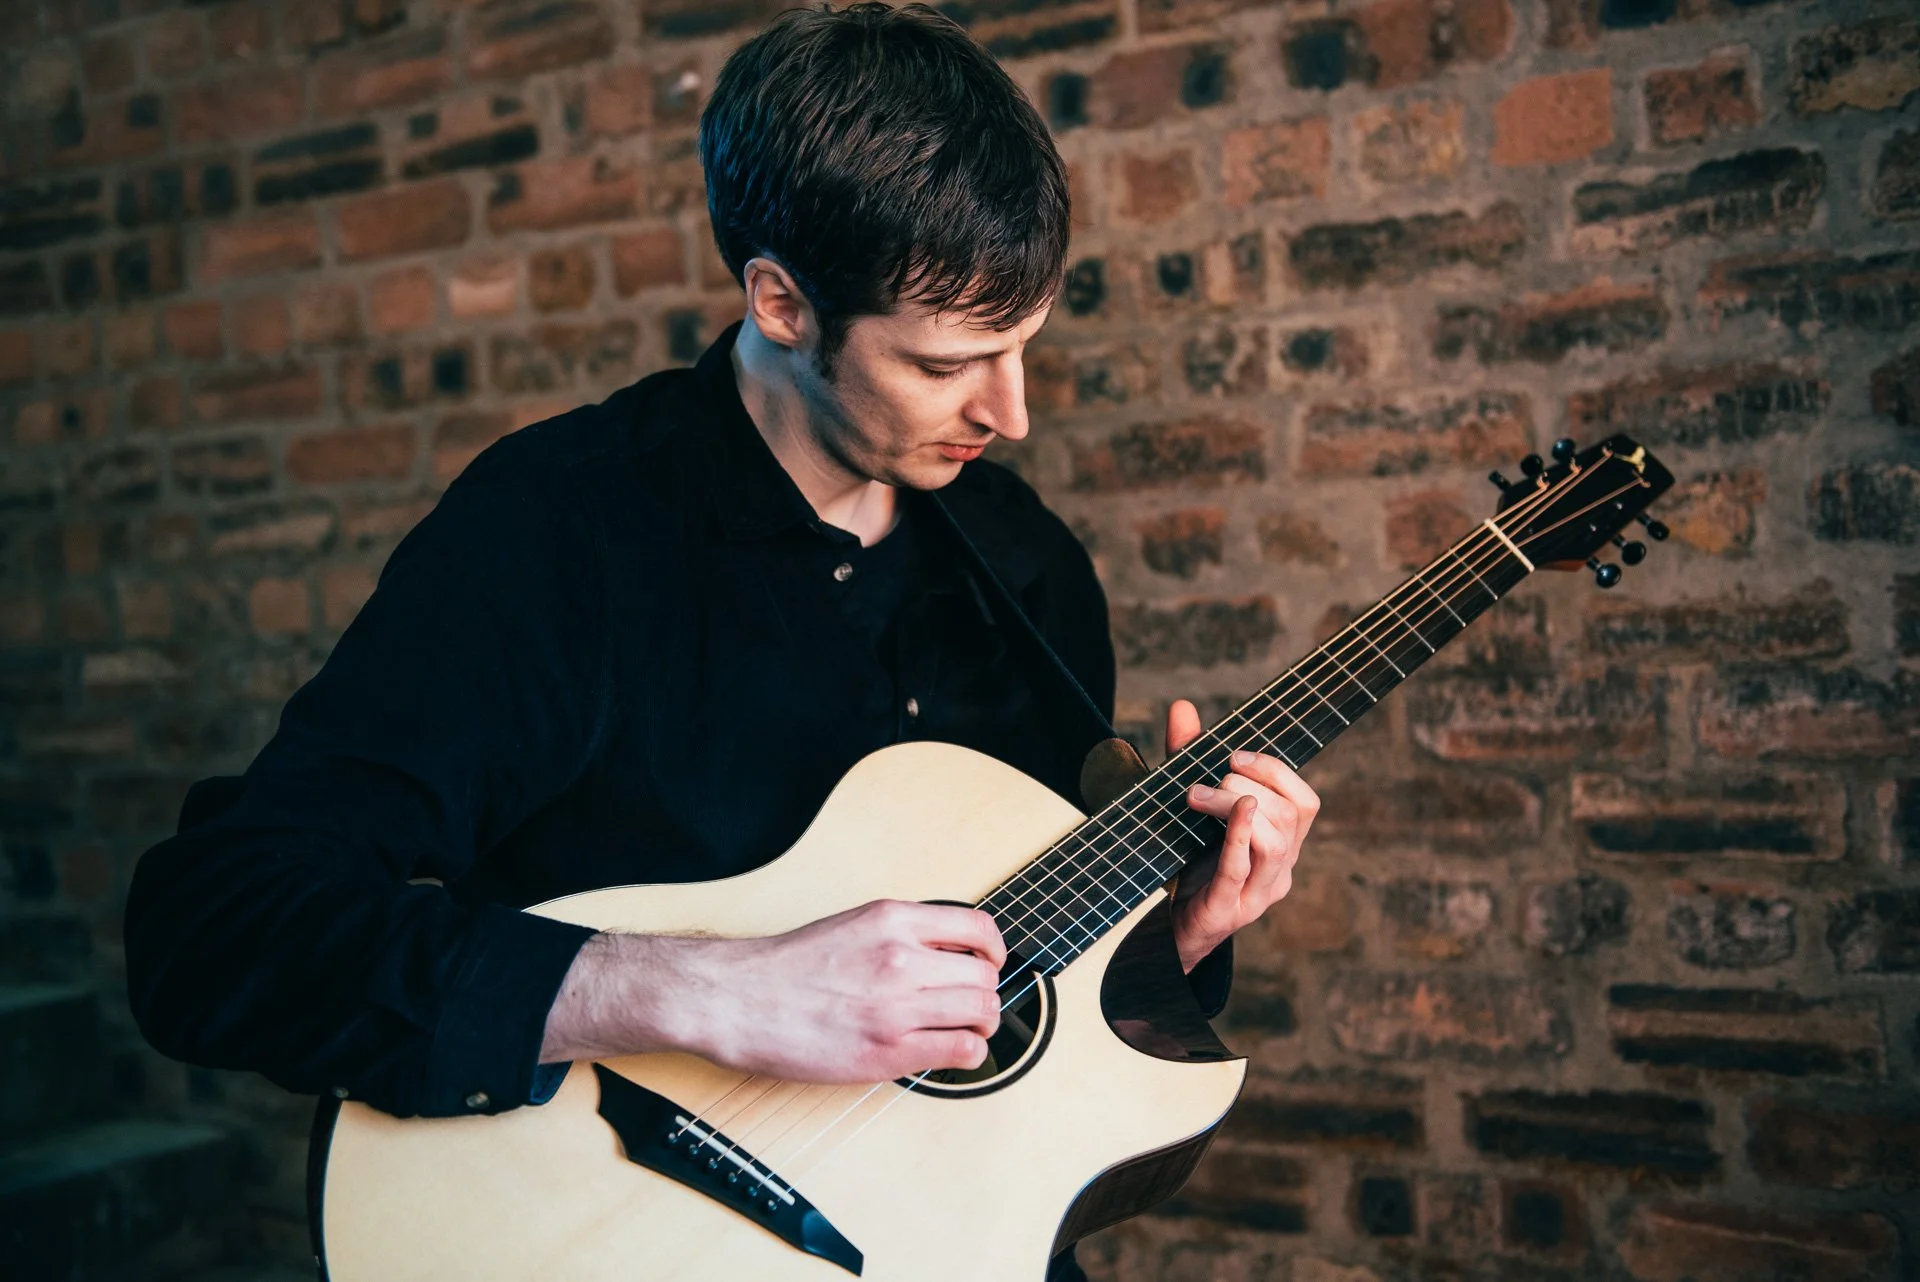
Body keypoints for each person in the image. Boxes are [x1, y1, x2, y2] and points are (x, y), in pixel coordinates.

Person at [124, 5, 1319, 1277]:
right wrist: (708, 990)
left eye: (1022, 345)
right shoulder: (559, 531)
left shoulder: (1027, 568)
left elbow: (1011, 1011)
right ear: (782, 302)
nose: (1009, 412)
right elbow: (219, 930)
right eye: (946, 362)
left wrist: (1175, 934)